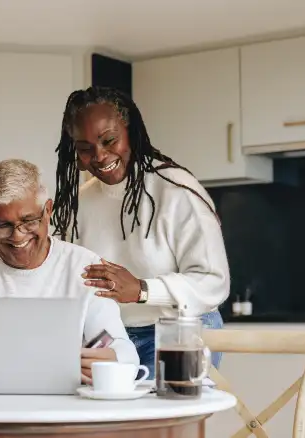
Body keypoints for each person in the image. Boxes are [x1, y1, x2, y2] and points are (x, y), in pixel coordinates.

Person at [0, 158, 139, 385]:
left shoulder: (84, 267)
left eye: (28, 221)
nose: (17, 236)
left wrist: (112, 360)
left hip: (63, 411)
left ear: (48, 210)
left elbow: (125, 353)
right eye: (1, 225)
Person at [52, 86, 230, 377]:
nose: (99, 156)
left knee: (160, 420)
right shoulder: (79, 203)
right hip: (111, 338)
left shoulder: (176, 189)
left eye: (109, 140)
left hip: (178, 331)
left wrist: (142, 290)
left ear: (130, 131)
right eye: (84, 149)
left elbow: (213, 283)